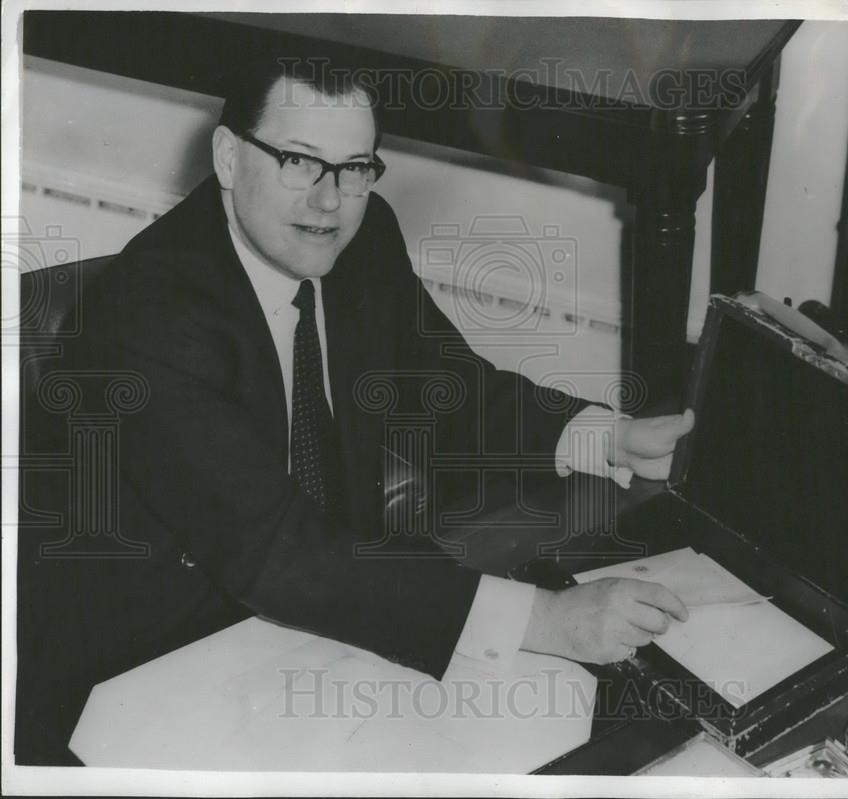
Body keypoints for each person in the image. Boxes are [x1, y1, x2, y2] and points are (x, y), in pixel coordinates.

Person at [16, 58, 694, 765]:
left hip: (313, 621)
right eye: (299, 163)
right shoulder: (145, 314)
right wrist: (547, 620)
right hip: (141, 664)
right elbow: (276, 550)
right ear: (227, 156)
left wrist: (602, 435)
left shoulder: (361, 241)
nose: (330, 201)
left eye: (355, 168)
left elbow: (445, 385)